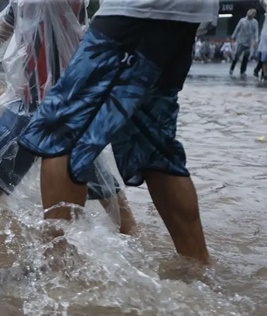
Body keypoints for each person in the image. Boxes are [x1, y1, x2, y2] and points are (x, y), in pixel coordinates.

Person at [17, 0, 218, 265]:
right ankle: (198, 269)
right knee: (154, 145)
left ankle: (54, 269)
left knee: (61, 128)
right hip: (182, 15)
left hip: (138, 11)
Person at [0, 0, 137, 234]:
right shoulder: (23, 2)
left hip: (60, 100)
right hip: (31, 98)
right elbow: (2, 27)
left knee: (90, 172)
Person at [230, 8, 259, 77]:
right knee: (236, 56)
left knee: (246, 57)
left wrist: (256, 40)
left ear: (254, 15)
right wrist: (233, 37)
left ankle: (242, 71)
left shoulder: (255, 22)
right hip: (240, 41)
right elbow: (237, 29)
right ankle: (232, 68)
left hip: (249, 42)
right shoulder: (242, 21)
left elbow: (256, 32)